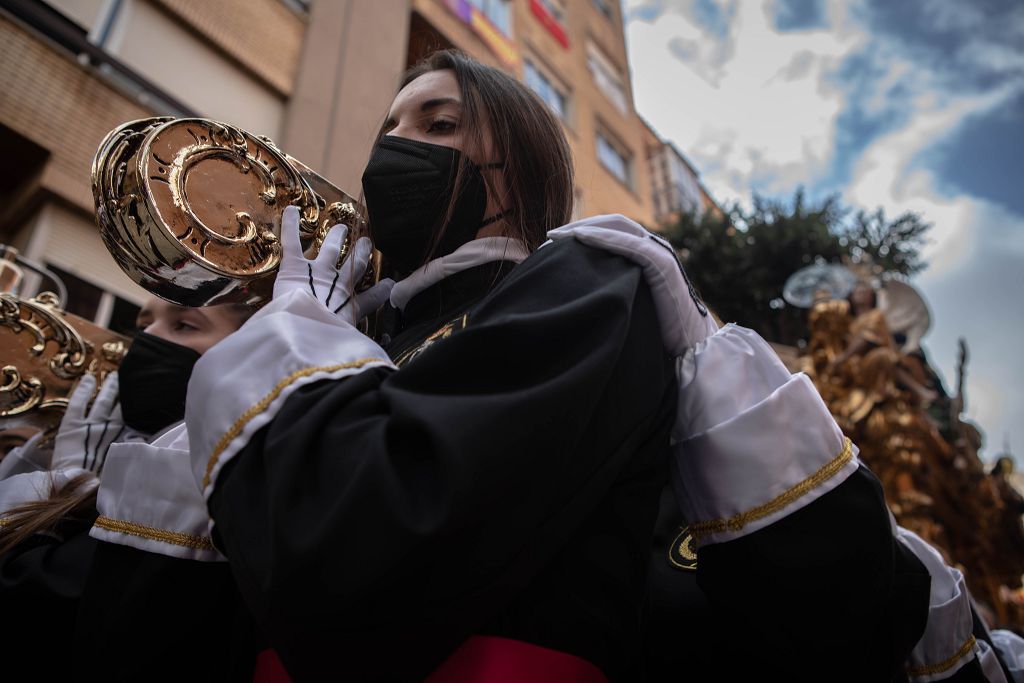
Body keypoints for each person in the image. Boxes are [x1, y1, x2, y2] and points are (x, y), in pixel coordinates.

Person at [173, 48, 947, 682]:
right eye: (390, 126)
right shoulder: (363, 331)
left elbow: (353, 544)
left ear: (518, 164)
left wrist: (293, 335)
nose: (395, 146)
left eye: (438, 123)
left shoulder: (581, 280)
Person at [0, 296, 254, 678]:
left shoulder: (223, 496)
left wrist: (68, 491)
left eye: (184, 325)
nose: (147, 337)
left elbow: (41, 614)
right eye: (142, 325)